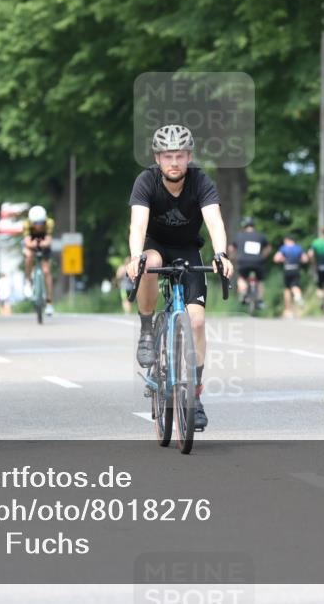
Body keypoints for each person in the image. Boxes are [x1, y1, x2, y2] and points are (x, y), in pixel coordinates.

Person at [125, 124, 234, 430]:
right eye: (168, 156)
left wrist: (221, 254)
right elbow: (137, 225)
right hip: (155, 247)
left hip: (187, 250)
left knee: (197, 321)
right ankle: (147, 329)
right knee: (148, 263)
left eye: (180, 156)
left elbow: (214, 220)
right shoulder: (146, 181)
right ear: (157, 158)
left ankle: (195, 396)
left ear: (189, 157)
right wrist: (136, 257)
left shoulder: (200, 181)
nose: (174, 162)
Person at [229, 217, 270, 310]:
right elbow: (268, 248)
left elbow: (231, 248)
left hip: (243, 262)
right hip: (258, 262)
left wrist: (233, 257)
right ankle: (259, 300)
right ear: (253, 226)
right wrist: (263, 256)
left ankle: (243, 294)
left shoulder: (239, 236)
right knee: (259, 280)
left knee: (242, 277)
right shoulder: (261, 236)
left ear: (244, 226)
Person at [273, 234, 308, 318]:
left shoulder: (284, 248)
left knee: (287, 289)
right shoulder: (298, 248)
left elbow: (276, 258)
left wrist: (283, 260)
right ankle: (298, 297)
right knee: (295, 285)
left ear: (287, 240)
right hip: (296, 269)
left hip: (287, 269)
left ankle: (288, 310)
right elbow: (305, 259)